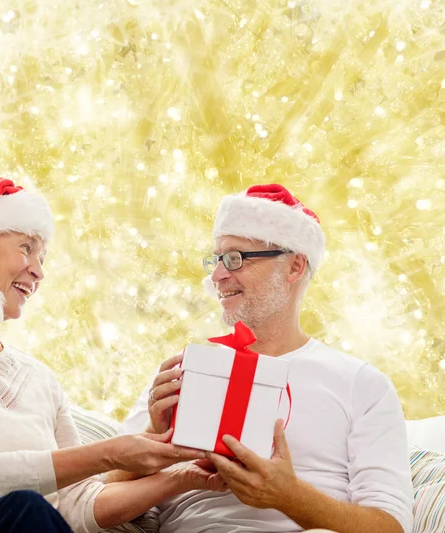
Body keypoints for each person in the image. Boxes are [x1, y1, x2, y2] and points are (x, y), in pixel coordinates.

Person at [0, 177, 228, 533]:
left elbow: (75, 506)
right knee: (25, 508)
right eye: (26, 247)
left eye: (43, 256)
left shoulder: (38, 377)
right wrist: (111, 452)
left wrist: (186, 477)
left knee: (34, 512)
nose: (39, 271)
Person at [115, 183, 414, 533]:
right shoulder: (183, 371)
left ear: (294, 267)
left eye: (235, 259)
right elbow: (98, 496)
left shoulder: (361, 384)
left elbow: (391, 527)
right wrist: (155, 432)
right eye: (216, 260)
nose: (216, 277)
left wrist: (289, 496)